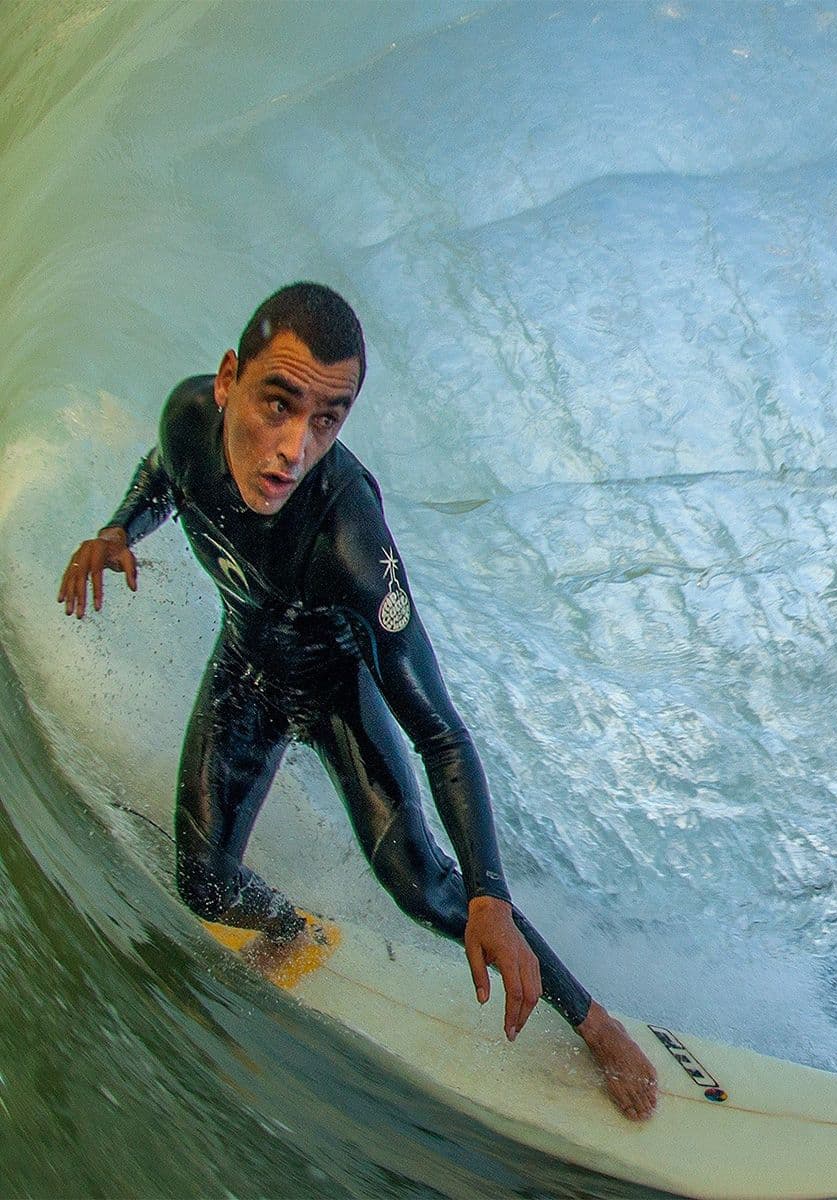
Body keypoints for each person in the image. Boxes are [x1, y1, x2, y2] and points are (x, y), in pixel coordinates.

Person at [57, 282, 658, 1121]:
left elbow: (441, 736)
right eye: (279, 403)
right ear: (229, 380)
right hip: (246, 664)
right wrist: (121, 528)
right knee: (201, 883)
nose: (293, 450)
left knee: (424, 887)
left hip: (338, 691)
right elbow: (167, 473)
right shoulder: (189, 418)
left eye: (328, 421)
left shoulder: (352, 544)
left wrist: (489, 892)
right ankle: (287, 931)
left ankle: (595, 1024)